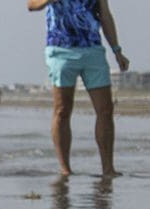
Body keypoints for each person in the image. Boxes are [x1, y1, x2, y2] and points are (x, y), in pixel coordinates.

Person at [27, 0, 129, 177]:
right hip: (60, 49)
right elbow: (32, 5)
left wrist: (117, 50)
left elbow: (105, 14)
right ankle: (65, 169)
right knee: (62, 110)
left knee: (105, 110)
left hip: (92, 49)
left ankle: (108, 168)